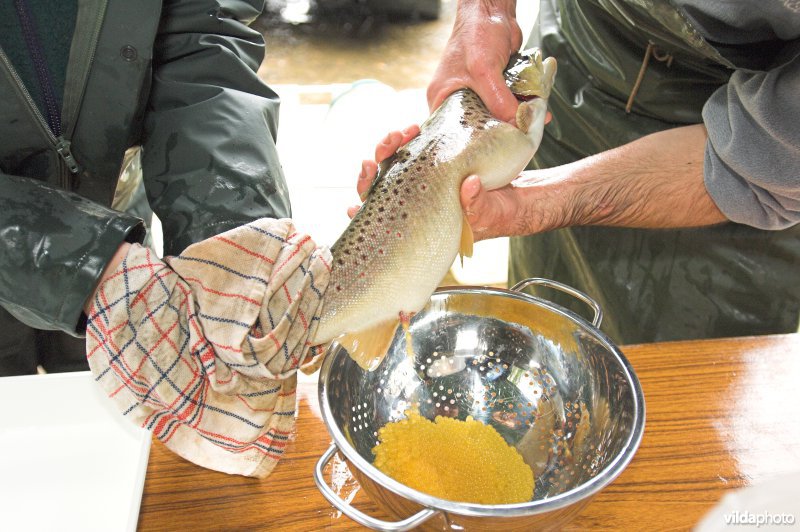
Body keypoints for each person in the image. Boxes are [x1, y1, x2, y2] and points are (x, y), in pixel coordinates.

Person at [1, 0, 332, 477]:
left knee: (111, 453)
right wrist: (80, 262)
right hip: (93, 255)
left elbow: (201, 30)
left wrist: (231, 240)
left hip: (116, 215)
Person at [361, 0, 800, 344]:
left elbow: (755, 164)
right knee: (537, 326)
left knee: (685, 376)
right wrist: (485, 12)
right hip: (579, 46)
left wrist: (531, 207)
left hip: (749, 143)